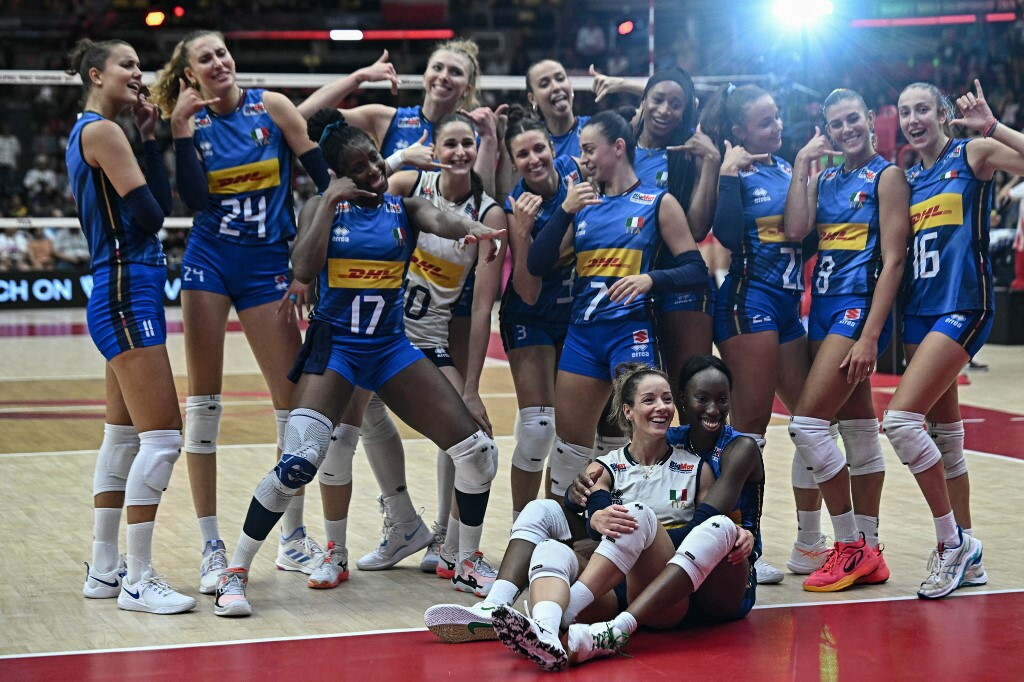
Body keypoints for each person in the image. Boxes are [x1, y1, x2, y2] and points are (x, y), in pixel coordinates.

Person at [211, 110, 504, 617]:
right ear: (338, 175)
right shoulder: (322, 208)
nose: (373, 171)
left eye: (374, 158)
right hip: (337, 350)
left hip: (390, 349)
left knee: (477, 452)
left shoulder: (404, 208)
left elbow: (442, 219)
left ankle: (467, 560)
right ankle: (233, 573)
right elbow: (303, 267)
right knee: (299, 461)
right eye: (359, 167)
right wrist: (329, 200)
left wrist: (476, 227)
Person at [423, 357, 761, 673]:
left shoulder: (698, 465)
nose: (661, 407)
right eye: (649, 400)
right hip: (617, 588)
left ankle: (575, 618)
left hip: (672, 585)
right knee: (547, 531)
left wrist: (611, 540)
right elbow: (589, 501)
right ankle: (529, 623)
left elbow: (706, 526)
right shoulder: (607, 465)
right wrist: (587, 512)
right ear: (628, 411)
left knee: (639, 517)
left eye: (666, 399)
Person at [150, 29, 334, 594]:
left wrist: (310, 262)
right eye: (205, 58)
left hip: (267, 265)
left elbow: (325, 183)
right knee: (203, 406)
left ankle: (292, 536)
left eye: (222, 52)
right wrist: (180, 130)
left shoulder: (271, 107)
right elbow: (194, 200)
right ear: (190, 74)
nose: (218, 62)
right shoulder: (189, 121)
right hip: (209, 261)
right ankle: (211, 545)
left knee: (293, 409)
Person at [311, 112, 507, 594]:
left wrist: (472, 387)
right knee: (343, 434)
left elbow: (482, 308)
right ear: (434, 149)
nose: (459, 151)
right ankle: (382, 530)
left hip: (429, 338)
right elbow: (363, 185)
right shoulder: (408, 183)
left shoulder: (488, 212)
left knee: (466, 435)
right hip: (379, 333)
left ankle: (448, 541)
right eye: (449, 143)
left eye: (468, 143)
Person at [67, 38, 195, 614]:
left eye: (140, 64)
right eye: (128, 64)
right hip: (126, 288)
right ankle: (139, 578)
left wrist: (147, 136)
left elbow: (154, 209)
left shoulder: (98, 131)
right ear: (96, 74)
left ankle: (103, 569)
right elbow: (151, 213)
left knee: (121, 435)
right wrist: (140, 142)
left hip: (119, 287)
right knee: (163, 438)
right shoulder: (101, 131)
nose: (139, 73)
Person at [525, 111, 706, 509]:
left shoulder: (658, 202)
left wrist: (651, 279)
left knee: (644, 442)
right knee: (568, 451)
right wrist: (564, 209)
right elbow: (537, 263)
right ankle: (560, 532)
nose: (583, 158)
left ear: (618, 147)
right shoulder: (583, 204)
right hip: (583, 337)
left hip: (631, 333)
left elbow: (696, 270)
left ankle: (648, 524)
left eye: (590, 149)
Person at [888, 79, 1023, 597]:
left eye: (922, 108)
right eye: (905, 111)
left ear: (943, 114)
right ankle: (969, 554)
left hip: (964, 304)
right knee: (946, 436)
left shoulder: (972, 153)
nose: (913, 119)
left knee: (900, 421)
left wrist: (994, 126)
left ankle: (951, 543)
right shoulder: (907, 179)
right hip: (918, 313)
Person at [783, 89, 910, 592]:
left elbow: (894, 260)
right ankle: (870, 550)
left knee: (807, 426)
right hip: (823, 310)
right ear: (826, 130)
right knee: (857, 431)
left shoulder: (887, 176)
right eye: (836, 124)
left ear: (870, 119)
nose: (846, 129)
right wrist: (801, 166)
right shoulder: (825, 179)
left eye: (853, 118)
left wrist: (871, 335)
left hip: (857, 311)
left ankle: (850, 544)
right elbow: (796, 230)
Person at [700, 83, 819, 583]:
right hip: (749, 304)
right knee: (750, 434)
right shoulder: (736, 171)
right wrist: (727, 176)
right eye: (765, 121)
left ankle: (809, 544)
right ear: (738, 130)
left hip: (788, 307)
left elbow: (805, 238)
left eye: (777, 118)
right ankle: (743, 545)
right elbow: (726, 235)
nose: (776, 127)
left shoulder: (785, 167)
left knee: (813, 422)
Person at [499, 106, 582, 518]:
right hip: (528, 316)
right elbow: (528, 292)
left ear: (552, 147)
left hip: (575, 316)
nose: (533, 159)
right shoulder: (517, 204)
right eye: (522, 154)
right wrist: (522, 230)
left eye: (539, 149)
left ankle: (558, 522)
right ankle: (523, 526)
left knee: (573, 436)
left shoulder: (578, 175)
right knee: (537, 430)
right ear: (513, 162)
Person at [524, 59, 591, 158]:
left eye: (560, 79)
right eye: (544, 84)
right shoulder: (529, 141)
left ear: (570, 85)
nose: (556, 87)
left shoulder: (595, 128)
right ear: (532, 98)